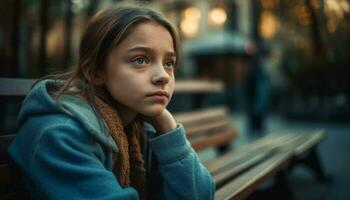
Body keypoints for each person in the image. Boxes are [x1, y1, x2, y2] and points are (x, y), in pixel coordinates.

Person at [8, 6, 215, 200]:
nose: (163, 76)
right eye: (140, 60)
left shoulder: (141, 126)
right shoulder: (60, 135)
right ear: (95, 72)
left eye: (168, 63)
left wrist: (169, 129)